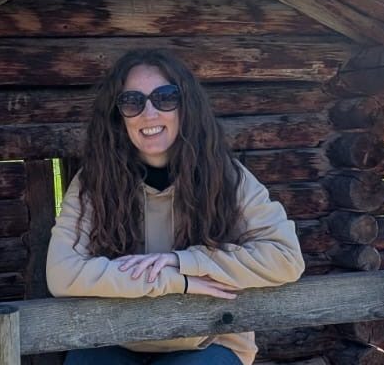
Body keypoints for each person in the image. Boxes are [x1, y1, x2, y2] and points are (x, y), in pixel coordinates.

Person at [46, 49, 305, 365]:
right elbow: (61, 274)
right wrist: (174, 281)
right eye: (132, 102)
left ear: (186, 106)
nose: (149, 113)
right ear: (118, 116)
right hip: (113, 337)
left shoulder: (227, 177)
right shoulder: (94, 182)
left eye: (165, 97)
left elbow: (286, 258)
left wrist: (185, 261)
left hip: (210, 340)